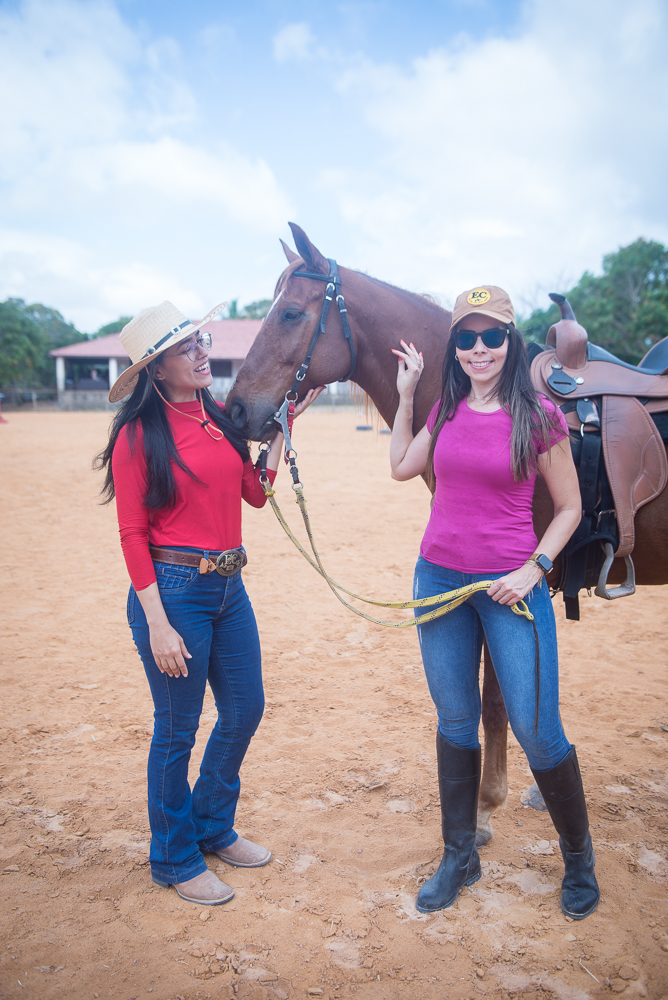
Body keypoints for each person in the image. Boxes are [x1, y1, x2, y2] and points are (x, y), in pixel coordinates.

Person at [96, 300, 322, 906]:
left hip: (229, 587)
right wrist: (158, 623)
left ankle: (212, 825)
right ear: (156, 370)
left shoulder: (217, 416)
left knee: (246, 708)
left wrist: (281, 433)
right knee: (176, 732)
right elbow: (131, 534)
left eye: (200, 341)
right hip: (173, 594)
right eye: (186, 348)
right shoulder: (139, 435)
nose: (202, 353)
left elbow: (255, 493)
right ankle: (172, 857)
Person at [390, 285, 600, 920]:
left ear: (511, 341)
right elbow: (401, 466)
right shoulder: (444, 409)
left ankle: (579, 859)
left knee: (538, 732)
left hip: (512, 588)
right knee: (455, 722)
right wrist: (405, 397)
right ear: (454, 347)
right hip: (440, 582)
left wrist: (535, 570)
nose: (479, 348)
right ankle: (460, 856)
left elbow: (569, 509)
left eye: (492, 336)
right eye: (466, 338)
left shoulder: (539, 414)